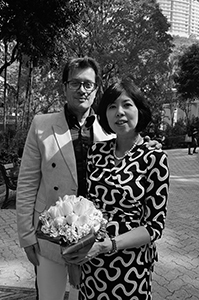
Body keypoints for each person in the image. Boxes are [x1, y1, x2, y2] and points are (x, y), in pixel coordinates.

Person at [16, 57, 161, 300]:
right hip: (50, 236)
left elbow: (130, 146)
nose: (81, 89)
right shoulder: (41, 125)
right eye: (75, 83)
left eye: (88, 84)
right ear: (64, 87)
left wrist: (147, 145)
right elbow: (27, 183)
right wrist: (26, 236)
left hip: (95, 242)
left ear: (96, 90)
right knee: (49, 296)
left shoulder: (109, 127)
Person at [67, 77, 170, 299]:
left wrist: (109, 245)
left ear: (139, 110)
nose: (119, 112)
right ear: (104, 114)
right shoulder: (96, 152)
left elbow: (154, 227)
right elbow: (88, 205)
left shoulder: (154, 157)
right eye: (112, 107)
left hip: (130, 265)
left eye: (126, 104)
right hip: (93, 260)